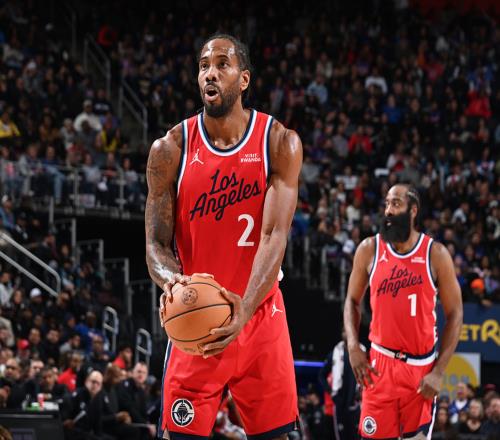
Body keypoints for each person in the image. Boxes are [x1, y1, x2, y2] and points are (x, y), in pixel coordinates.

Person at [145, 34, 302, 439]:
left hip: (260, 315)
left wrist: (244, 309)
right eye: (203, 66)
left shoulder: (278, 143)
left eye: (221, 64)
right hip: (198, 318)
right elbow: (156, 244)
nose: (210, 73)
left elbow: (274, 236)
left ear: (244, 79)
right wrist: (173, 282)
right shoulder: (170, 149)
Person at [343, 184, 463, 439]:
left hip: (421, 370)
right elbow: (352, 300)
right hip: (380, 366)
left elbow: (456, 314)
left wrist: (439, 372)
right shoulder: (369, 249)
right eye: (387, 203)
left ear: (413, 210)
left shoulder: (436, 254)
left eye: (396, 203)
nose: (388, 210)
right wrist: (353, 346)